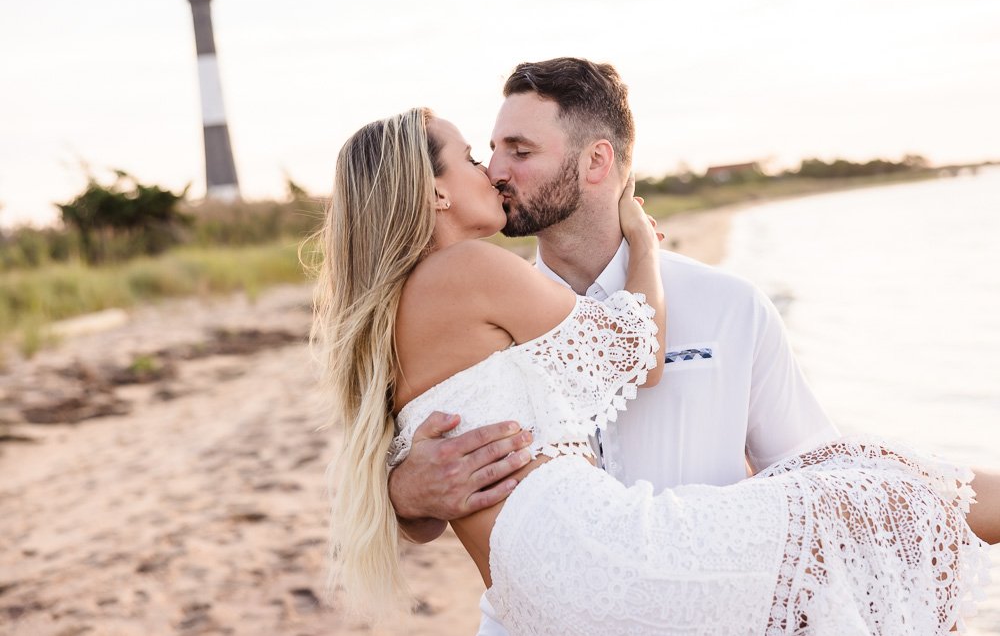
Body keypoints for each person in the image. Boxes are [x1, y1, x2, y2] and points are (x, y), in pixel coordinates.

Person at [312, 106, 996, 634]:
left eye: (509, 152)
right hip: (595, 552)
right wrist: (640, 240)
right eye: (470, 156)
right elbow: (639, 352)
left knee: (866, 477)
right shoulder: (466, 271)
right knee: (881, 495)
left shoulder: (395, 310)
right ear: (434, 193)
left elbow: (415, 485)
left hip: (539, 587)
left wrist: (400, 486)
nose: (490, 170)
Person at [388, 57, 838, 633]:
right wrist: (405, 491)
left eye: (519, 152)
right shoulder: (476, 318)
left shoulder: (730, 305)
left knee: (891, 492)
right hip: (530, 622)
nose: (497, 170)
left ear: (597, 161)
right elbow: (397, 473)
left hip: (704, 613)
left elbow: (806, 475)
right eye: (490, 150)